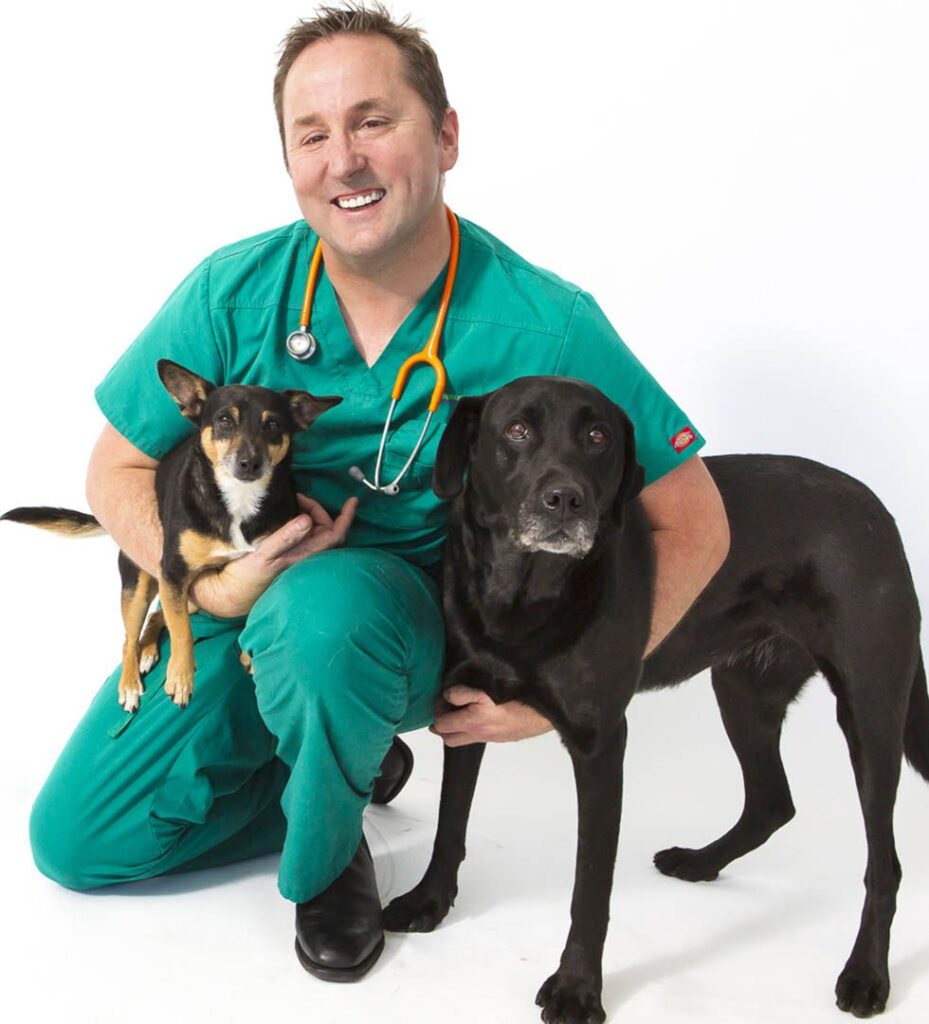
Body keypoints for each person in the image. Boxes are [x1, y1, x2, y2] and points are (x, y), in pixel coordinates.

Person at [28, 2, 730, 984]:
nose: (343, 160)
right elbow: (115, 470)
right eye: (312, 135)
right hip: (241, 613)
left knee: (324, 608)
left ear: (445, 136)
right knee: (79, 841)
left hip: (406, 632)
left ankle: (324, 853)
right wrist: (212, 588)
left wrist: (568, 696)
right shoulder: (233, 290)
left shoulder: (546, 324)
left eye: (373, 121)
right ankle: (337, 764)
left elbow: (694, 521)